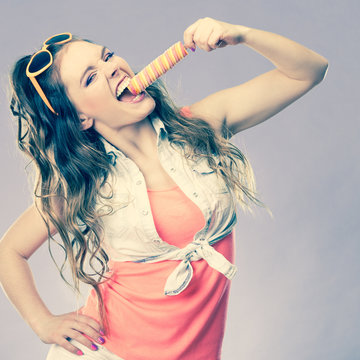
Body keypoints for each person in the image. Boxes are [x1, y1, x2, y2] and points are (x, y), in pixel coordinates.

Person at [0, 17, 328, 360]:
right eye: (91, 77)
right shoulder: (85, 182)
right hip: (105, 353)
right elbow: (10, 251)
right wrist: (43, 322)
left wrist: (242, 35)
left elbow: (308, 72)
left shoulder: (199, 126)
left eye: (107, 56)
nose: (112, 68)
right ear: (80, 117)